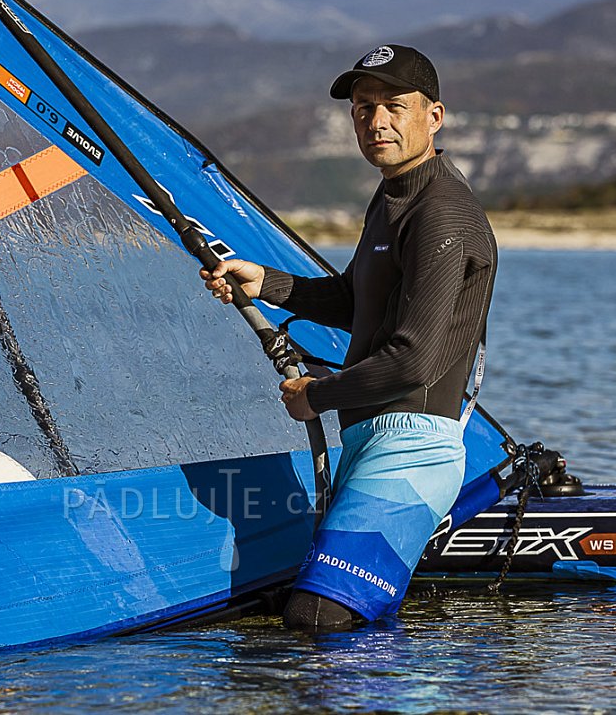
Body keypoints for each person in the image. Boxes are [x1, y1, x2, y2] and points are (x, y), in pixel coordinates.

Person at [202, 44, 497, 630]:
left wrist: (318, 395)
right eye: (363, 109)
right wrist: (267, 282)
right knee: (335, 619)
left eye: (394, 106)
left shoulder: (441, 211)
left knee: (317, 617)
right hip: (371, 439)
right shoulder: (393, 197)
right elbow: (358, 303)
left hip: (413, 447)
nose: (377, 123)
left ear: (433, 116)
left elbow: (414, 361)